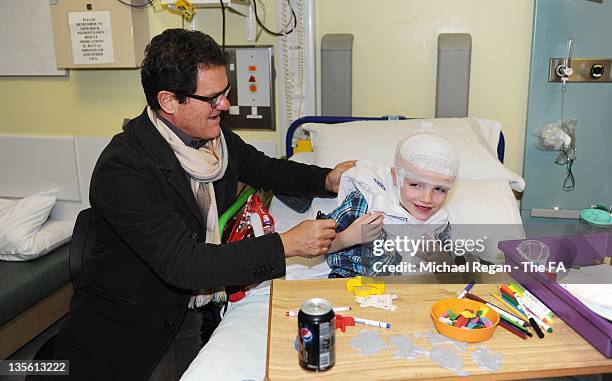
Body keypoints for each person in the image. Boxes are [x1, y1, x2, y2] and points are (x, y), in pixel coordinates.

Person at [52, 29, 353, 380]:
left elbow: (266, 168)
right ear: (168, 102)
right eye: (213, 98)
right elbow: (185, 263)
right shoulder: (124, 168)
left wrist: (327, 178)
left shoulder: (213, 140)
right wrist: (287, 245)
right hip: (139, 328)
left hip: (199, 306)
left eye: (225, 93)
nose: (224, 105)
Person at [323, 132, 460, 278]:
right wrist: (346, 238)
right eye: (416, 185)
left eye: (439, 189)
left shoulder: (438, 222)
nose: (427, 199)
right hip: (353, 285)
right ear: (396, 177)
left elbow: (448, 269)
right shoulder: (366, 202)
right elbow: (318, 245)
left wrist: (443, 261)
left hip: (410, 292)